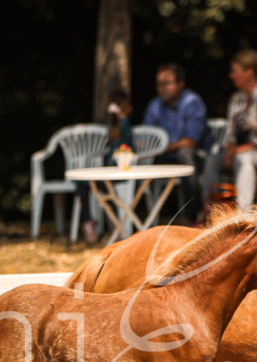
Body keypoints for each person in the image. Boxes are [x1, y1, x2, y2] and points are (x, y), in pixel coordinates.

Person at [202, 49, 257, 211]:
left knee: (244, 159)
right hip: (242, 151)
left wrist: (238, 151)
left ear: (249, 71)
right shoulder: (237, 99)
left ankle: (243, 215)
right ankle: (210, 213)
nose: (231, 75)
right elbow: (230, 132)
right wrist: (230, 148)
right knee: (213, 160)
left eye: (235, 71)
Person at [142, 63, 212, 222]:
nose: (162, 88)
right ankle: (142, 219)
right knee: (139, 159)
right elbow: (146, 139)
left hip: (198, 157)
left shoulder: (192, 102)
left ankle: (191, 216)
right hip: (166, 156)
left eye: (167, 83)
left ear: (181, 84)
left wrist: (161, 149)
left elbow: (190, 141)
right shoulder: (155, 105)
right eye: (159, 84)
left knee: (185, 154)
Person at [79, 90, 134, 243]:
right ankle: (88, 222)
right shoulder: (112, 127)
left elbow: (129, 144)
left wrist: (122, 119)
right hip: (108, 172)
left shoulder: (125, 126)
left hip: (120, 172)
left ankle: (116, 226)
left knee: (105, 188)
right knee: (83, 185)